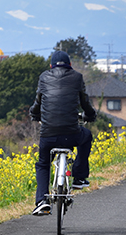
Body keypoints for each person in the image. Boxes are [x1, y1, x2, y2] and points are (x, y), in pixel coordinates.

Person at [29, 51, 96, 216]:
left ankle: (42, 201)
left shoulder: (44, 77)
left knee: (43, 164)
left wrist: (35, 115)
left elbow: (38, 102)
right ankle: (79, 177)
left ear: (51, 66)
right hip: (71, 133)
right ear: (70, 65)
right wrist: (90, 115)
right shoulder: (77, 77)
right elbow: (84, 101)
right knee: (86, 136)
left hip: (48, 134)